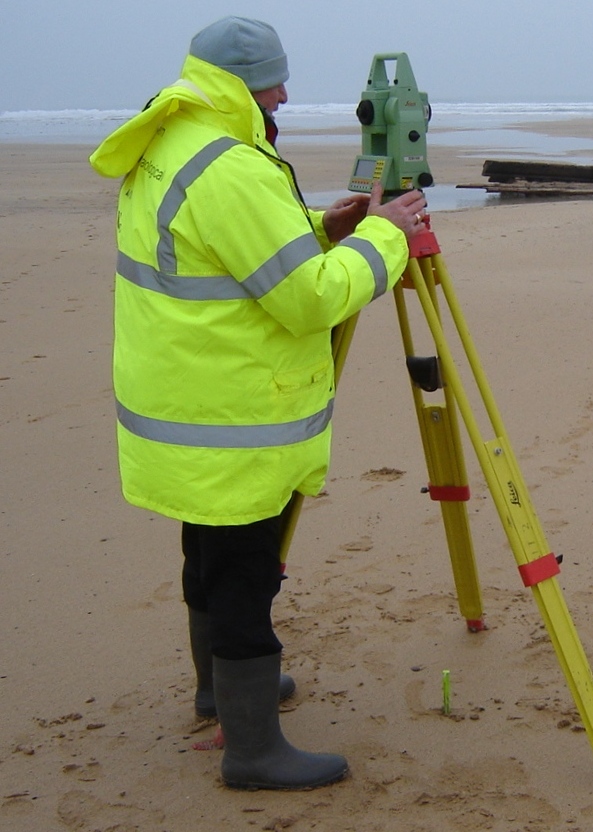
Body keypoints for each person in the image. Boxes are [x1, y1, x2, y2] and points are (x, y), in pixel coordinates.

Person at [89, 16, 429, 790]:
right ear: (240, 85)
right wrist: (384, 238)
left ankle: (218, 688)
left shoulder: (174, 140)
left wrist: (318, 224)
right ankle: (252, 751)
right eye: (273, 82)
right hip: (232, 415)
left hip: (188, 407)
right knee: (244, 573)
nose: (284, 94)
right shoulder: (231, 166)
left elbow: (232, 251)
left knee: (206, 556)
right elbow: (309, 300)